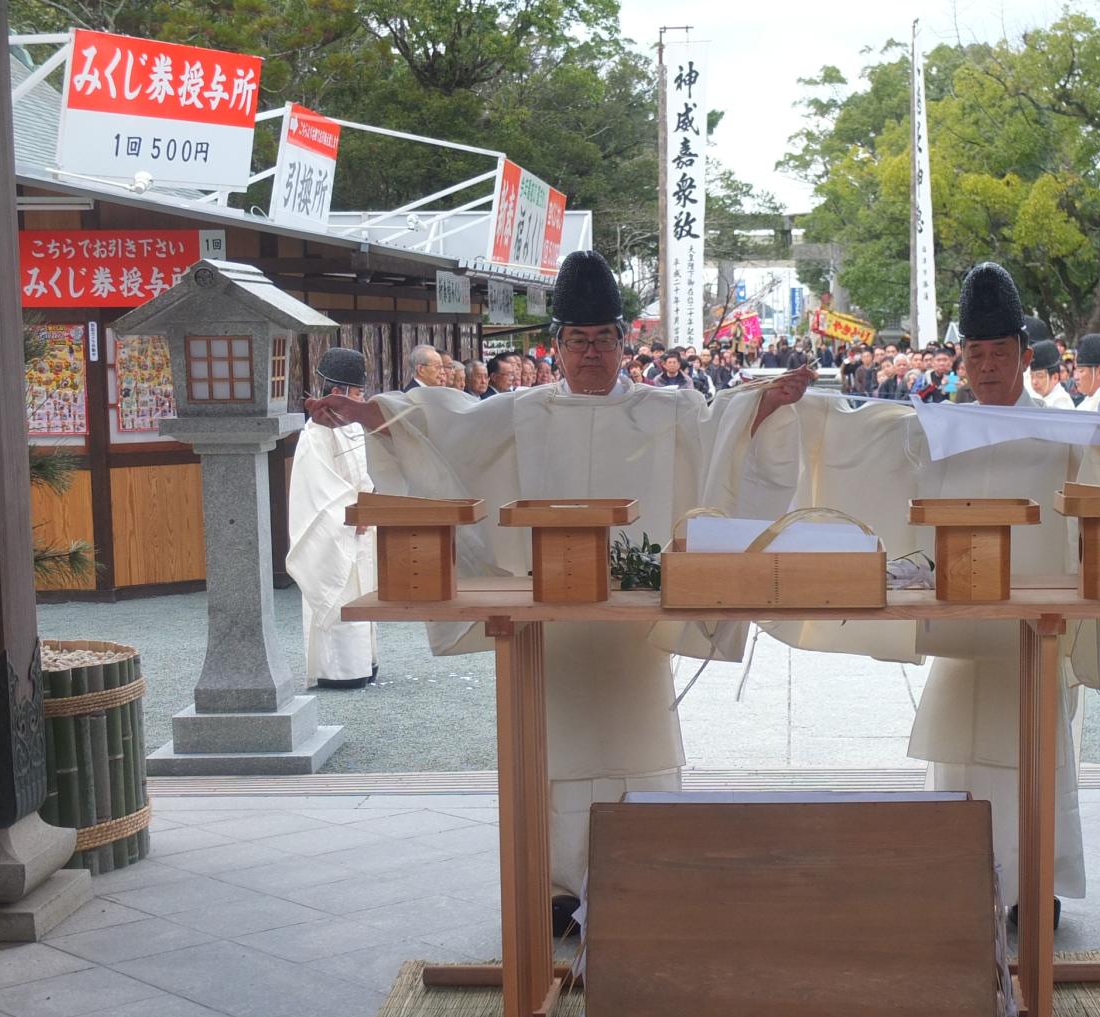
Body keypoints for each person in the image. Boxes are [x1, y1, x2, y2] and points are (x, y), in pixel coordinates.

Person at [307, 251, 810, 934]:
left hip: (632, 617)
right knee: (555, 753)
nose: (592, 352)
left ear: (623, 342)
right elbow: (441, 433)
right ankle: (554, 889)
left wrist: (764, 405)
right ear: (558, 345)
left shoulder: (668, 408)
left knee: (634, 742)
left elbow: (723, 433)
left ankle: (646, 868)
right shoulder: (522, 411)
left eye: (604, 338)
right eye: (578, 339)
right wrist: (372, 415)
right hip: (549, 613)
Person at [725, 263, 1100, 921]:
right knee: (963, 753)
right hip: (961, 615)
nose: (986, 365)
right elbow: (852, 435)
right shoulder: (934, 425)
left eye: (999, 352)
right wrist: (795, 410)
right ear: (961, 356)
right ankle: (966, 873)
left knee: (1039, 750)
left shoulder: (1065, 426)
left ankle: (1035, 881)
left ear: (1023, 354)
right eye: (974, 352)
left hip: (1034, 617)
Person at [286, 347, 379, 690]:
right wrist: (353, 513)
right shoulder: (315, 433)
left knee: (362, 592)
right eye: (356, 394)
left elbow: (364, 475)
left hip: (360, 522)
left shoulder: (352, 427)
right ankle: (338, 670)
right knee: (338, 591)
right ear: (337, 393)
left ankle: (364, 661)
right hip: (338, 527)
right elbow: (320, 491)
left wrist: (370, 503)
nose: (360, 400)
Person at [1028, 339, 1075, 407]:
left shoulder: (1061, 403)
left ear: (1055, 377)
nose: (1034, 382)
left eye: (1040, 376)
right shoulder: (1035, 396)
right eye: (1032, 376)